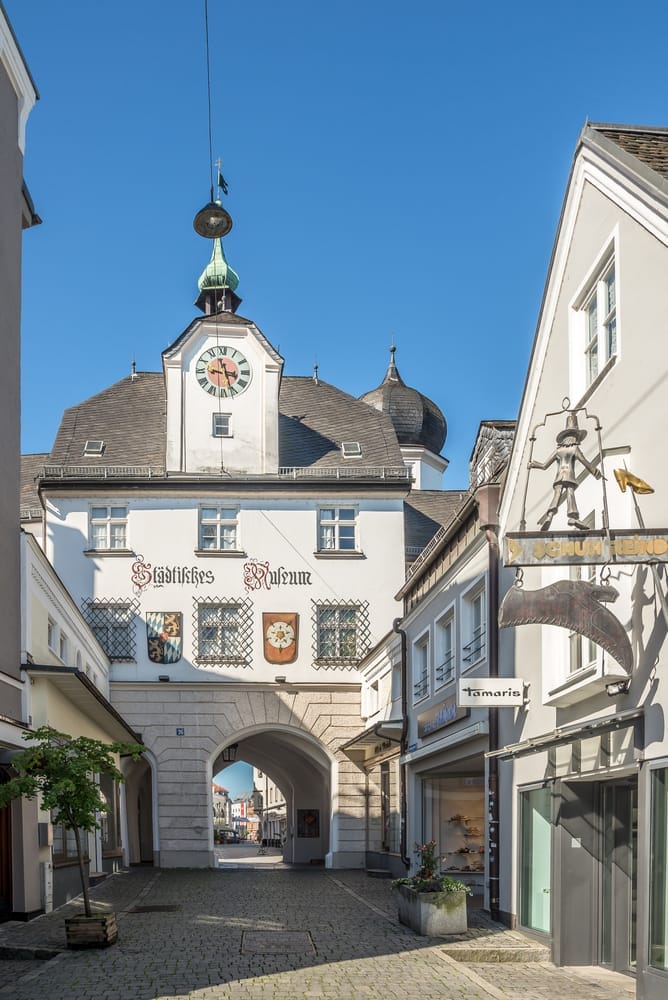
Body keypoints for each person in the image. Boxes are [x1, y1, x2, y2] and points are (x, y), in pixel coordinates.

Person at [530, 412, 601, 531]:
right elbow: (585, 462)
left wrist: (533, 464)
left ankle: (549, 516)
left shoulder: (558, 450)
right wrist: (595, 471)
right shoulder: (574, 449)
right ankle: (573, 517)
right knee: (570, 494)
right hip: (569, 476)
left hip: (559, 477)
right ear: (574, 436)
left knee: (556, 496)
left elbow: (544, 465)